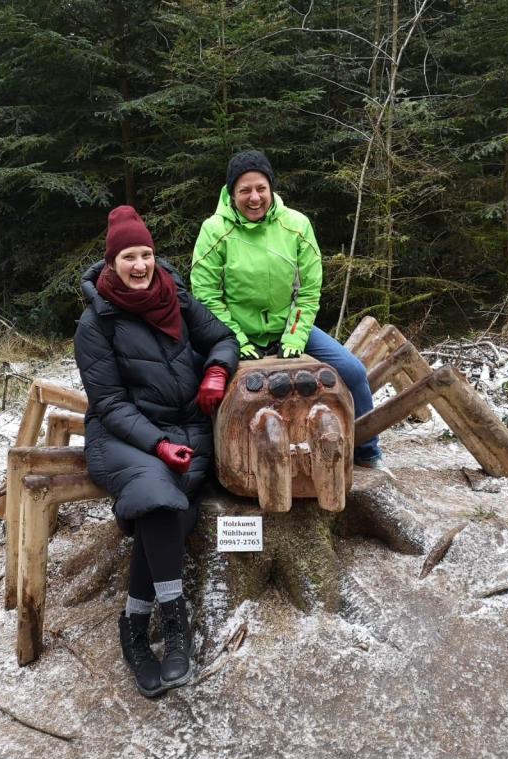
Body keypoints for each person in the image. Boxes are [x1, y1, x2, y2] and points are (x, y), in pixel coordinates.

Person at [75, 205, 239, 697]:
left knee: (172, 512)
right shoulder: (96, 323)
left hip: (187, 430)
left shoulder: (177, 297)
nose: (141, 265)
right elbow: (109, 403)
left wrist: (217, 371)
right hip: (123, 435)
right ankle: (174, 624)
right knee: (157, 494)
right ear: (112, 263)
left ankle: (133, 625)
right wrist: (158, 444)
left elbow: (223, 338)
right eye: (129, 257)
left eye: (146, 254)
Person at [191, 149, 388, 472]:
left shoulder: (296, 225)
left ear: (271, 188)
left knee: (353, 372)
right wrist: (235, 338)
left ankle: (367, 450)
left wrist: (295, 334)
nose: (254, 198)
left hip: (289, 327)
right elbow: (207, 294)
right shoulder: (214, 230)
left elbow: (308, 289)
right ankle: (204, 460)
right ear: (231, 193)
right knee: (188, 378)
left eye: (261, 188)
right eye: (244, 190)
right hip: (232, 333)